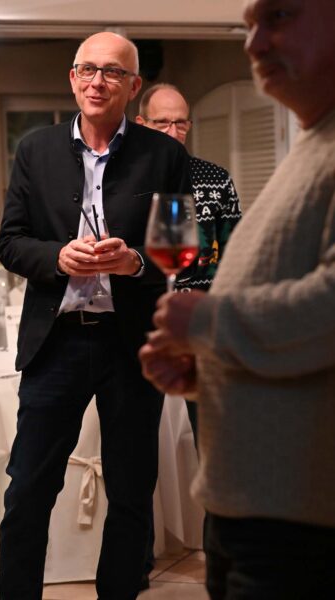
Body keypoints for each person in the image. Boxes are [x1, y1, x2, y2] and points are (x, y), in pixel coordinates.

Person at [139, 0, 335, 598]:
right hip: (253, 510)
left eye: (278, 16)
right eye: (249, 25)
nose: (252, 44)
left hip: (301, 524)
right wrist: (211, 364)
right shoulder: (312, 144)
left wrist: (208, 322)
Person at [0, 32, 191, 600]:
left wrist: (135, 262)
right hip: (55, 341)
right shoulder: (35, 150)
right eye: (86, 69)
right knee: (28, 489)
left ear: (133, 85)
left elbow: (179, 250)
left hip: (131, 344)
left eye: (111, 71)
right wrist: (56, 257)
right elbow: (9, 242)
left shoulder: (165, 156)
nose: (96, 81)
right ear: (72, 78)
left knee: (131, 492)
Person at [136, 83, 242, 442]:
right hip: (139, 322)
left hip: (201, 325)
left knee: (214, 435)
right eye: (162, 123)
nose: (173, 132)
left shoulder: (216, 179)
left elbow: (233, 254)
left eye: (180, 123)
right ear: (141, 124)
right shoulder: (124, 180)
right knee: (138, 437)